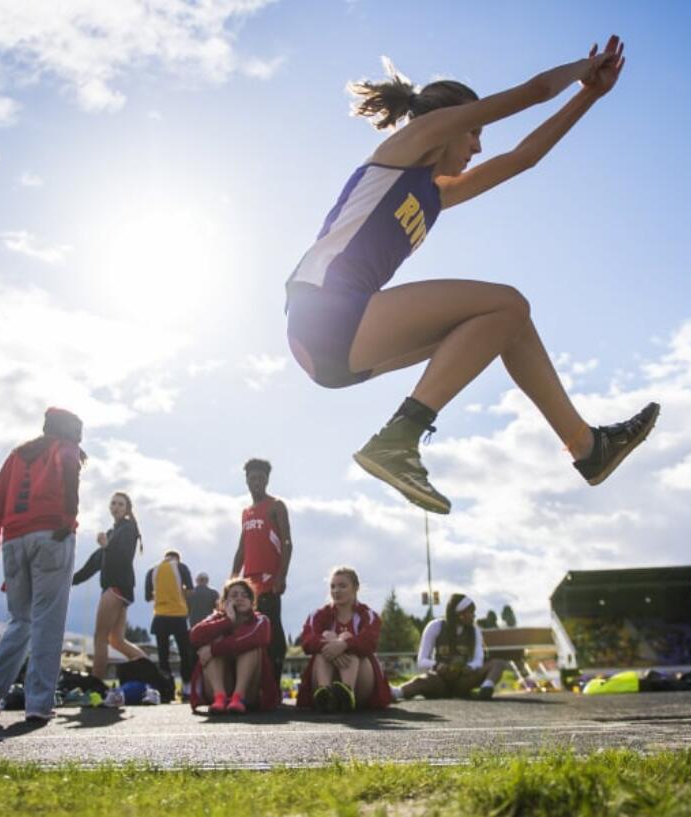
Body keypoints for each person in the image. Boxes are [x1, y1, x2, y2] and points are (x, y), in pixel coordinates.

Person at [284, 37, 658, 515]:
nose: (479, 146)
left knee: (508, 323)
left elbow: (523, 158)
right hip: (327, 312)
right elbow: (538, 89)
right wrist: (587, 68)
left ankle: (588, 447)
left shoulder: (435, 194)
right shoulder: (406, 148)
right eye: (474, 131)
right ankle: (400, 437)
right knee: (506, 302)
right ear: (447, 124)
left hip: (339, 357)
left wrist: (590, 96)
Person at [0, 407, 85, 723]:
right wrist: (68, 519)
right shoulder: (65, 448)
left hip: (14, 541)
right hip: (52, 535)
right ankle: (39, 702)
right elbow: (70, 473)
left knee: (21, 618)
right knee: (48, 619)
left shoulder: (17, 455)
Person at [73, 491, 149, 682]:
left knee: (100, 637)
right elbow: (95, 563)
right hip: (117, 590)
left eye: (121, 504)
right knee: (116, 640)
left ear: (127, 509)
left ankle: (95, 684)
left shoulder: (128, 528)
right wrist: (69, 581)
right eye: (113, 503)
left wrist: (107, 546)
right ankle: (150, 674)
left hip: (117, 587)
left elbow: (123, 557)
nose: (116, 507)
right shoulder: (111, 532)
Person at [230, 458, 292, 687]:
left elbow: (287, 542)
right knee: (249, 630)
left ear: (267, 480)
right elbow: (242, 547)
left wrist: (281, 576)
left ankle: (274, 683)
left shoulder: (276, 506)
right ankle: (255, 683)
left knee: (272, 629)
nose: (256, 482)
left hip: (269, 580)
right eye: (252, 478)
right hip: (249, 583)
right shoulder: (246, 512)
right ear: (246, 481)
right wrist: (233, 578)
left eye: (261, 478)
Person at [298, 566, 392, 712]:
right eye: (333, 586)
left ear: (356, 588)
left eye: (342, 586)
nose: (336, 591)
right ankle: (325, 693)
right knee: (327, 636)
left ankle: (347, 692)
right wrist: (331, 647)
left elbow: (369, 642)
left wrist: (344, 645)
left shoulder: (368, 614)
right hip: (325, 672)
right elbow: (307, 641)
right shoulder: (317, 614)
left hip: (361, 683)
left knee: (347, 638)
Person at [189, 578, 278, 714]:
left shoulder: (261, 620)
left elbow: (256, 638)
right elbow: (195, 635)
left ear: (252, 601)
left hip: (250, 690)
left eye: (245, 595)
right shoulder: (216, 618)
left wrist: (213, 650)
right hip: (218, 687)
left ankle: (238, 698)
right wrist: (228, 621)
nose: (240, 598)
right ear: (225, 602)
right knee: (213, 639)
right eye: (234, 595)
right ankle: (220, 698)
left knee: (251, 646)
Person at [395, 594, 507, 700]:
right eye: (471, 612)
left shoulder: (474, 630)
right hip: (440, 680)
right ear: (460, 614)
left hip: (463, 681)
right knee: (422, 681)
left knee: (498, 663)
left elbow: (479, 659)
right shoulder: (435, 626)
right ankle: (395, 693)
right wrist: (437, 665)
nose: (474, 615)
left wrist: (470, 667)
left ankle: (486, 690)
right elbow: (421, 661)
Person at [145, 549, 195, 701]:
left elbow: (148, 597)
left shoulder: (152, 570)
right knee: (184, 653)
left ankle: (167, 689)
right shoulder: (181, 567)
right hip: (178, 615)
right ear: (177, 558)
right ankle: (187, 688)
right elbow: (191, 591)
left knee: (163, 655)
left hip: (159, 616)